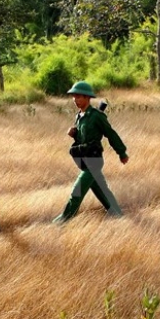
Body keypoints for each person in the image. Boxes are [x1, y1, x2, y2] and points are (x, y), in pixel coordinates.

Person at [53, 81, 128, 224]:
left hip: (94, 160)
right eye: (74, 97)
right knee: (101, 191)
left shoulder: (96, 116)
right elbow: (83, 138)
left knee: (77, 192)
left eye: (79, 97)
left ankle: (64, 219)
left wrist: (122, 152)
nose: (75, 100)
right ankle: (118, 215)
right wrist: (74, 134)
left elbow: (110, 134)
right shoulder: (79, 116)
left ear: (88, 98)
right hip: (84, 159)